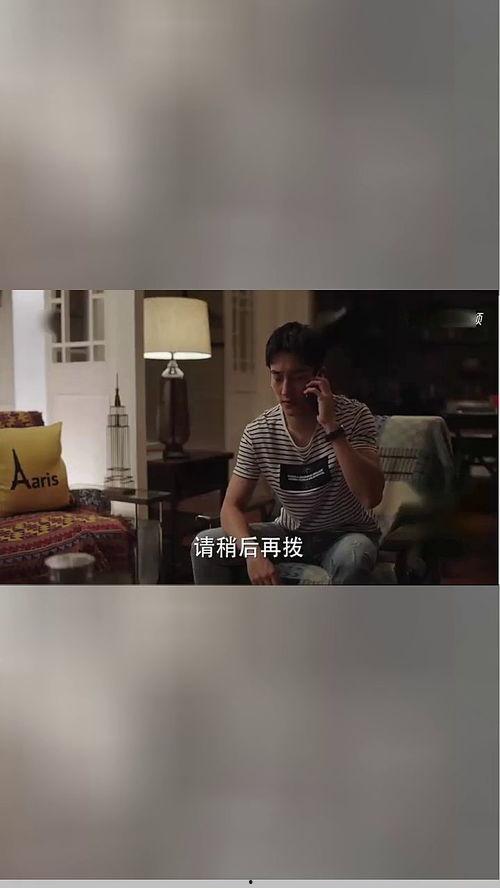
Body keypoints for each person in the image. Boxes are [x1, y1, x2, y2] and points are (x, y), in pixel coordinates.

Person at [191, 322, 385, 585]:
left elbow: (370, 496)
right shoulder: (258, 432)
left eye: (298, 377)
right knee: (205, 546)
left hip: (346, 536)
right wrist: (252, 554)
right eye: (277, 376)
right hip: (290, 538)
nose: (285, 390)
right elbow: (231, 507)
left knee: (354, 555)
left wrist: (331, 427)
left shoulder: (354, 415)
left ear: (319, 376)